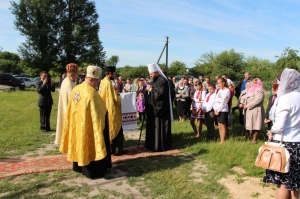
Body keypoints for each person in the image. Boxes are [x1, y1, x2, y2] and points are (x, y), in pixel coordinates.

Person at [59, 65, 111, 179]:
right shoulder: (91, 93)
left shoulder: (77, 88)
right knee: (89, 143)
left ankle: (78, 166)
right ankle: (92, 170)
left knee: (79, 141)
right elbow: (101, 110)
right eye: (97, 81)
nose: (97, 83)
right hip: (88, 126)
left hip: (77, 125)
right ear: (92, 80)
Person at [263, 68, 300, 199]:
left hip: (284, 145)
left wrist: (271, 130)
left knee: (282, 182)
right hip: (298, 145)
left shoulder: (285, 99)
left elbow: (279, 125)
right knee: (296, 183)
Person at [144, 63, 172, 152]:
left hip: (161, 109)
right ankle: (151, 144)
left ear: (156, 72)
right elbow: (149, 91)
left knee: (160, 128)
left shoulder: (163, 81)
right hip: (152, 108)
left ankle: (159, 145)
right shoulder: (153, 80)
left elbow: (160, 95)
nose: (150, 75)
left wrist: (151, 90)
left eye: (151, 74)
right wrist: (147, 91)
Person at [99, 66, 127, 156]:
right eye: (114, 73)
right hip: (111, 110)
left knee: (107, 130)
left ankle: (110, 149)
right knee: (116, 128)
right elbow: (114, 98)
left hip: (104, 109)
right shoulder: (108, 83)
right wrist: (121, 97)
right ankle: (117, 150)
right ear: (110, 73)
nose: (114, 75)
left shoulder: (102, 82)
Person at [54, 63, 78, 145]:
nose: (77, 77)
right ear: (71, 74)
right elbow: (74, 102)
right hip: (70, 113)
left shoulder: (65, 81)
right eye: (75, 75)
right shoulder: (69, 85)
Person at [243, 78, 265, 144]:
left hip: (256, 110)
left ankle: (255, 139)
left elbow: (257, 100)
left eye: (255, 83)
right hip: (249, 110)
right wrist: (244, 104)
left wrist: (248, 105)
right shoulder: (250, 90)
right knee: (250, 124)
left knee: (256, 124)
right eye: (253, 82)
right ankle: (249, 136)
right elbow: (245, 98)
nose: (254, 84)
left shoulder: (260, 91)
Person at [213, 77, 231, 144]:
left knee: (223, 125)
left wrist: (219, 109)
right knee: (219, 125)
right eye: (218, 83)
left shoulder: (227, 91)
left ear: (223, 83)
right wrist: (215, 109)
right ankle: (221, 139)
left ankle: (223, 140)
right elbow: (216, 100)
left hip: (223, 110)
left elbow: (225, 101)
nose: (218, 85)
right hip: (217, 109)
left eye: (219, 83)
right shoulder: (219, 90)